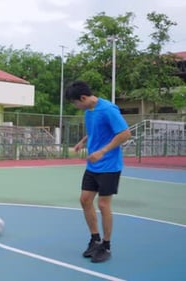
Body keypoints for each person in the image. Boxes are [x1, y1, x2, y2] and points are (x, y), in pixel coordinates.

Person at [64, 81, 131, 263]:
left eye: (75, 103)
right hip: (93, 165)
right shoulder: (89, 111)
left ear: (83, 98)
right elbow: (95, 131)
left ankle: (106, 245)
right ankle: (95, 239)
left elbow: (125, 134)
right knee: (85, 200)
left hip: (109, 165)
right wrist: (82, 141)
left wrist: (102, 151)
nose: (75, 106)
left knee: (103, 205)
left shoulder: (108, 109)